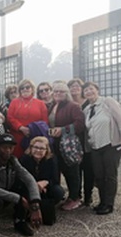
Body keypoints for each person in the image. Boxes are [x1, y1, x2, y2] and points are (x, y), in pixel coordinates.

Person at [0, 133, 42, 236]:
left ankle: (19, 221)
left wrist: (35, 205)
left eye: (10, 147)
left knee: (24, 186)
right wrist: (19, 199)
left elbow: (29, 179)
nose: (8, 151)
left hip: (5, 191)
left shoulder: (12, 160)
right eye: (4, 147)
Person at [83, 81, 121, 215]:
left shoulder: (107, 102)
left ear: (97, 90)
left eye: (91, 89)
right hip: (95, 147)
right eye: (85, 90)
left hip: (111, 145)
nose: (88, 92)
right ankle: (102, 202)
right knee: (99, 175)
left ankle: (109, 204)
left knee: (110, 175)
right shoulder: (87, 110)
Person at [48, 81, 85, 211]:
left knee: (72, 172)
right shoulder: (53, 106)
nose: (58, 93)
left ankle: (75, 198)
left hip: (68, 145)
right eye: (56, 91)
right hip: (55, 144)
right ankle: (66, 196)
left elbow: (80, 124)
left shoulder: (73, 106)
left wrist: (63, 130)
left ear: (66, 93)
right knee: (60, 170)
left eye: (61, 91)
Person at [68, 78, 94, 206]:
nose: (75, 88)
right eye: (72, 86)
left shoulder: (88, 103)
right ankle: (75, 195)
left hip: (87, 142)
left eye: (78, 85)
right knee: (75, 171)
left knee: (88, 170)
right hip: (73, 143)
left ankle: (88, 196)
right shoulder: (67, 104)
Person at [7, 79, 49, 158]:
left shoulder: (40, 103)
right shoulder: (14, 102)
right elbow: (10, 117)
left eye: (27, 87)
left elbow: (45, 121)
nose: (25, 89)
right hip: (18, 136)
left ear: (32, 89)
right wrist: (21, 127)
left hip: (35, 138)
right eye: (22, 88)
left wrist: (33, 130)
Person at [20, 136, 64, 205]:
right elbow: (21, 178)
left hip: (46, 187)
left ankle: (46, 206)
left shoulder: (52, 160)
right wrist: (35, 185)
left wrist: (45, 183)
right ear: (31, 148)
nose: (38, 150)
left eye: (42, 148)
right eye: (36, 147)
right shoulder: (25, 159)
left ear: (46, 150)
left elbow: (55, 179)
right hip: (28, 186)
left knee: (58, 191)